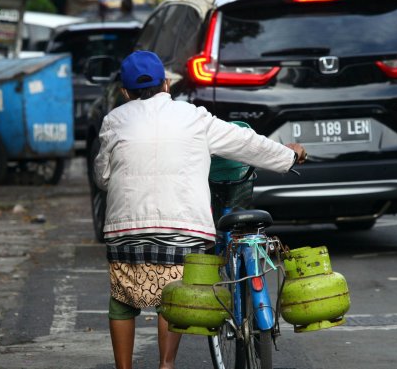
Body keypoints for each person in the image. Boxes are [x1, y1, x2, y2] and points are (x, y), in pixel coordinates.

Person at [93, 50, 306, 369]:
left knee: (123, 301)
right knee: (170, 298)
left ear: (125, 92)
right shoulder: (193, 116)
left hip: (126, 228)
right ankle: (166, 365)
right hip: (182, 227)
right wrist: (288, 157)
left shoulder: (114, 121)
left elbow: (103, 176)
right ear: (167, 84)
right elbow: (245, 142)